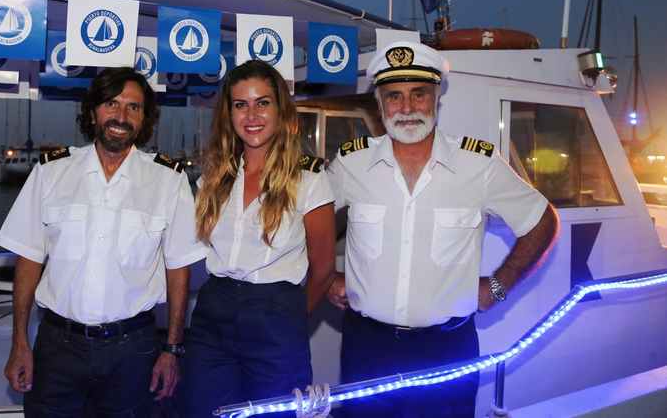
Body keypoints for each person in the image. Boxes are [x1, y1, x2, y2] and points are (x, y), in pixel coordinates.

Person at [326, 41, 559, 417]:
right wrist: (325, 276)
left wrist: (498, 285)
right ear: (380, 103)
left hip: (447, 350)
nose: (406, 108)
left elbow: (542, 221)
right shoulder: (352, 162)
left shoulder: (478, 165)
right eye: (394, 96)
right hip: (367, 347)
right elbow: (305, 220)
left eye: (419, 94)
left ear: (437, 98)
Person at [0, 67, 207, 417]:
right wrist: (19, 341)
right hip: (57, 347)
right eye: (112, 103)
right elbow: (29, 261)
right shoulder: (51, 172)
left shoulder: (168, 181)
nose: (121, 116)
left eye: (133, 107)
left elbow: (178, 271)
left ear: (144, 119)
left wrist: (172, 349)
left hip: (133, 351)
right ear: (93, 111)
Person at [181, 60, 337, 417]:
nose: (251, 115)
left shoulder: (309, 179)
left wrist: (288, 318)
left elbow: (324, 268)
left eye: (262, 103)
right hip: (213, 316)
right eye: (241, 105)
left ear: (280, 109)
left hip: (276, 318)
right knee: (205, 411)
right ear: (229, 113)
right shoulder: (214, 177)